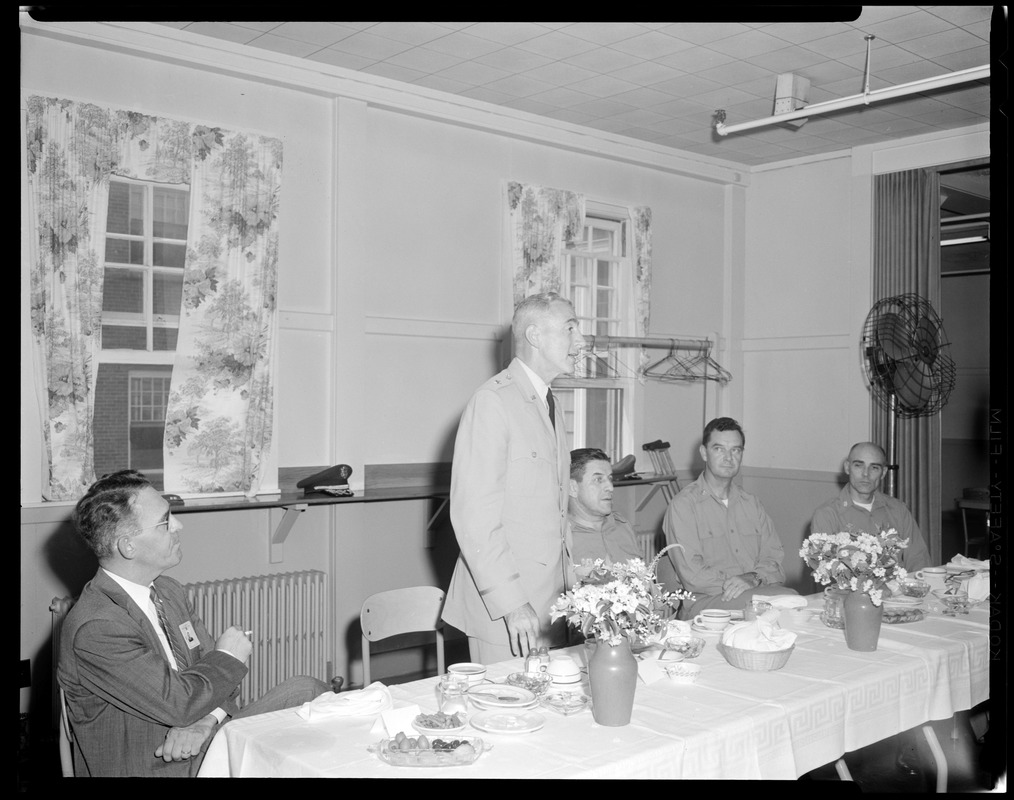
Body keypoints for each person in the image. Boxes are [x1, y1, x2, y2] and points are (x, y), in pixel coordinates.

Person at [58, 470, 329, 777]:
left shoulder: (168, 591)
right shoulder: (97, 627)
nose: (178, 525)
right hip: (159, 765)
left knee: (307, 690)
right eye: (165, 521)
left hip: (204, 740)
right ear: (128, 546)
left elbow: (221, 682)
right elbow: (183, 700)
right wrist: (228, 656)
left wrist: (205, 721)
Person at [442, 292, 586, 664]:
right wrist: (512, 605)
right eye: (571, 329)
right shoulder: (493, 402)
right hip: (509, 612)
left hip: (552, 605)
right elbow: (474, 518)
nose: (581, 341)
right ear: (535, 336)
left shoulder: (549, 404)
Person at [655, 417, 796, 619]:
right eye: (719, 449)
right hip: (705, 605)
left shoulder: (752, 504)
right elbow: (694, 577)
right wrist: (739, 583)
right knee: (787, 602)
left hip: (753, 597)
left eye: (735, 450)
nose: (728, 457)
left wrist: (753, 578)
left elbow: (775, 563)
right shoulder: (683, 506)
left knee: (793, 603)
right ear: (704, 453)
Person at [811, 441, 932, 573]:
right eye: (858, 465)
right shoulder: (827, 515)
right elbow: (826, 575)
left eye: (874, 467)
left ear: (884, 472)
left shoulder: (899, 510)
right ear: (847, 467)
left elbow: (919, 562)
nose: (866, 474)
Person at [568, 447, 643, 565]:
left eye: (610, 478)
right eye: (598, 479)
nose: (610, 487)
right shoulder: (560, 540)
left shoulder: (623, 527)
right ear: (572, 487)